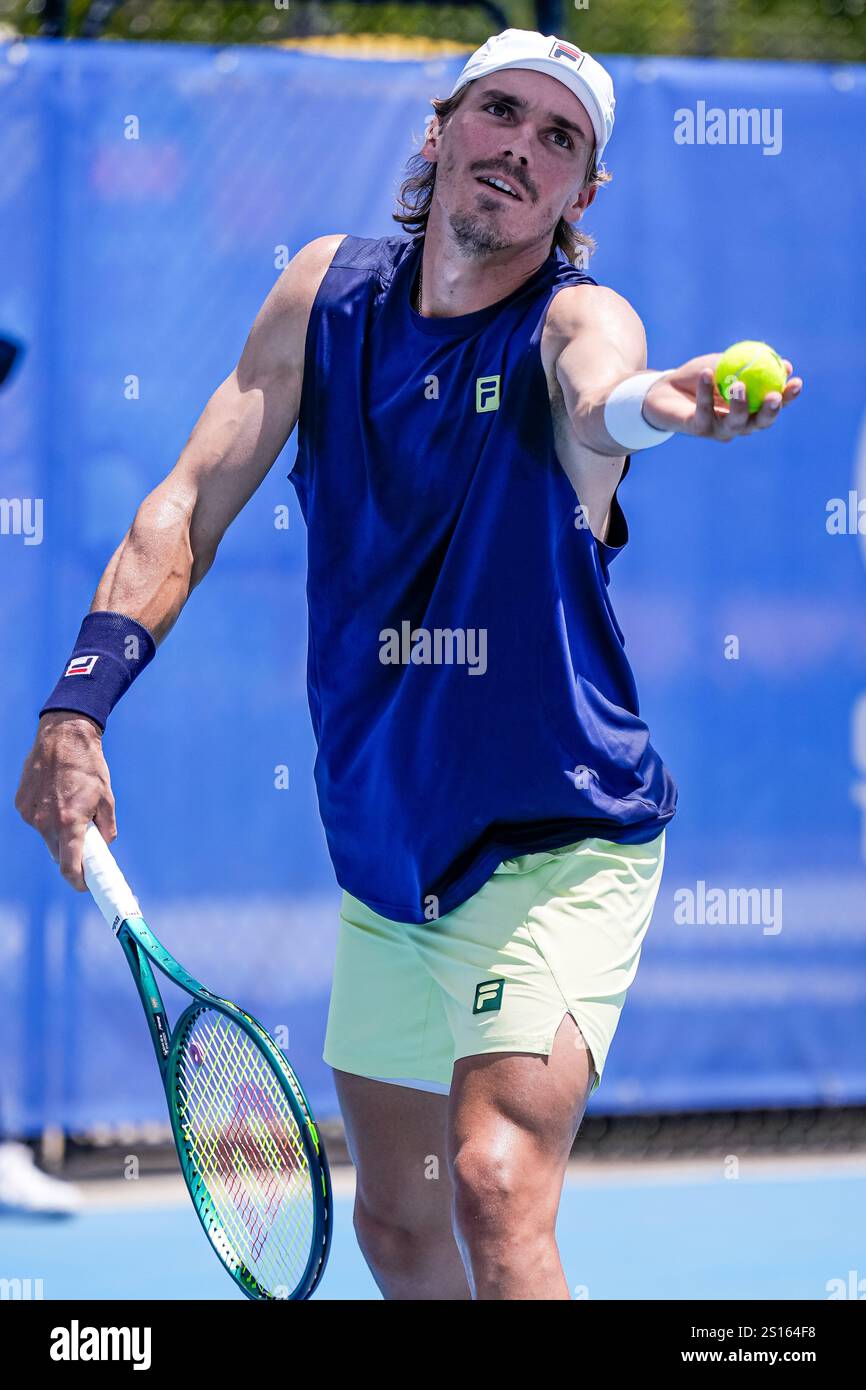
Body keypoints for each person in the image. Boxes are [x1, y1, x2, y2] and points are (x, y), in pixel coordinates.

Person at [16, 29, 802, 1299]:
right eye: (500, 112)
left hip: (557, 840)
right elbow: (188, 504)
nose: (520, 149)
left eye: (560, 142)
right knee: (398, 1221)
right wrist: (74, 708)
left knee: (491, 1181)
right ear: (439, 130)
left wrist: (659, 404)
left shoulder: (578, 317)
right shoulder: (323, 295)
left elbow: (598, 390)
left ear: (577, 199)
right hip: (385, 847)